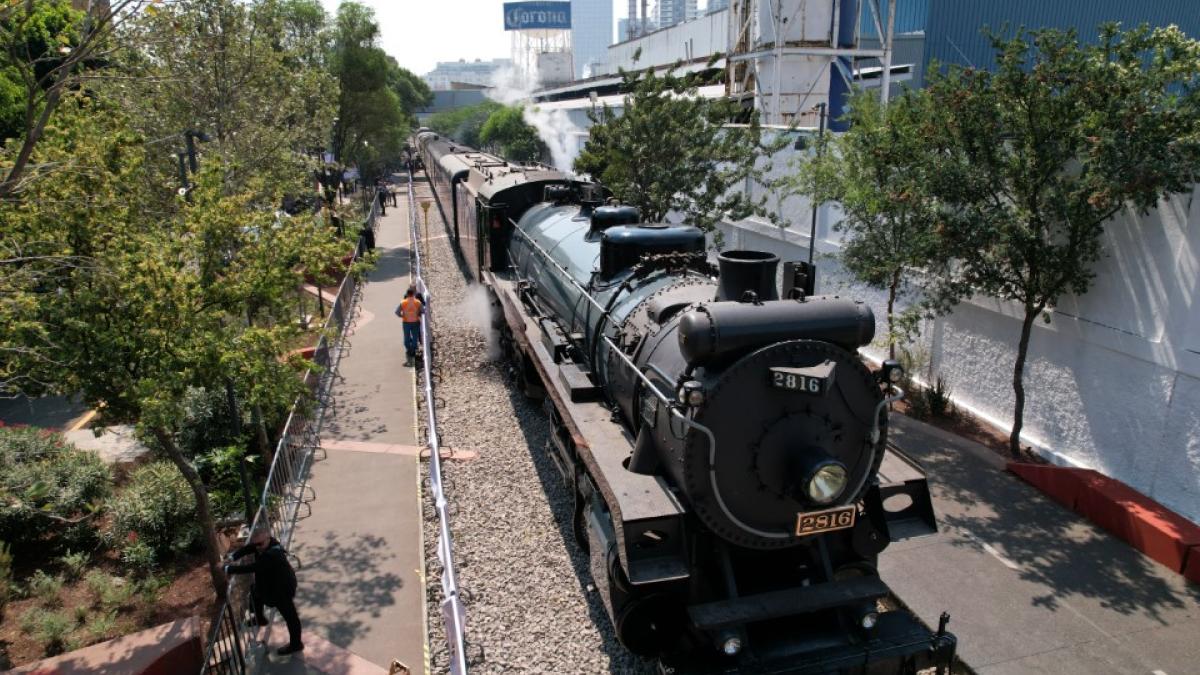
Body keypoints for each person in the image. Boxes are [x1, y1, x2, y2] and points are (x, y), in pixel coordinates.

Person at [225, 530, 303, 656]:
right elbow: (247, 549)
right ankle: (260, 619)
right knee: (255, 594)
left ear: (268, 539)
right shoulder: (263, 544)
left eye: (259, 544)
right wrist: (230, 558)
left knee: (291, 617)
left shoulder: (273, 554)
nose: (257, 547)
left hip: (281, 589)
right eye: (255, 544)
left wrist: (227, 569)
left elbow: (252, 568)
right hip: (267, 584)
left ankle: (296, 644)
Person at [396, 285, 424, 366]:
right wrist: (418, 313)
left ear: (407, 294)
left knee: (406, 340)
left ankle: (410, 352)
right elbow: (423, 311)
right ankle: (412, 351)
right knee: (415, 339)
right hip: (415, 322)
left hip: (406, 323)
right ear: (413, 294)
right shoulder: (418, 302)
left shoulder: (403, 302)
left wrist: (402, 315)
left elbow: (397, 312)